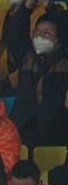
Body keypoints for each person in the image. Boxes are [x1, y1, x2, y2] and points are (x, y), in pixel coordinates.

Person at [11, 13, 68, 148]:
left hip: (56, 129)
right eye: (37, 32)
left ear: (58, 40)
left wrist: (48, 5)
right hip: (23, 124)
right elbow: (14, 33)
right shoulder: (25, 56)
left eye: (47, 34)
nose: (40, 37)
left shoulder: (65, 62)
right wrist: (26, 7)